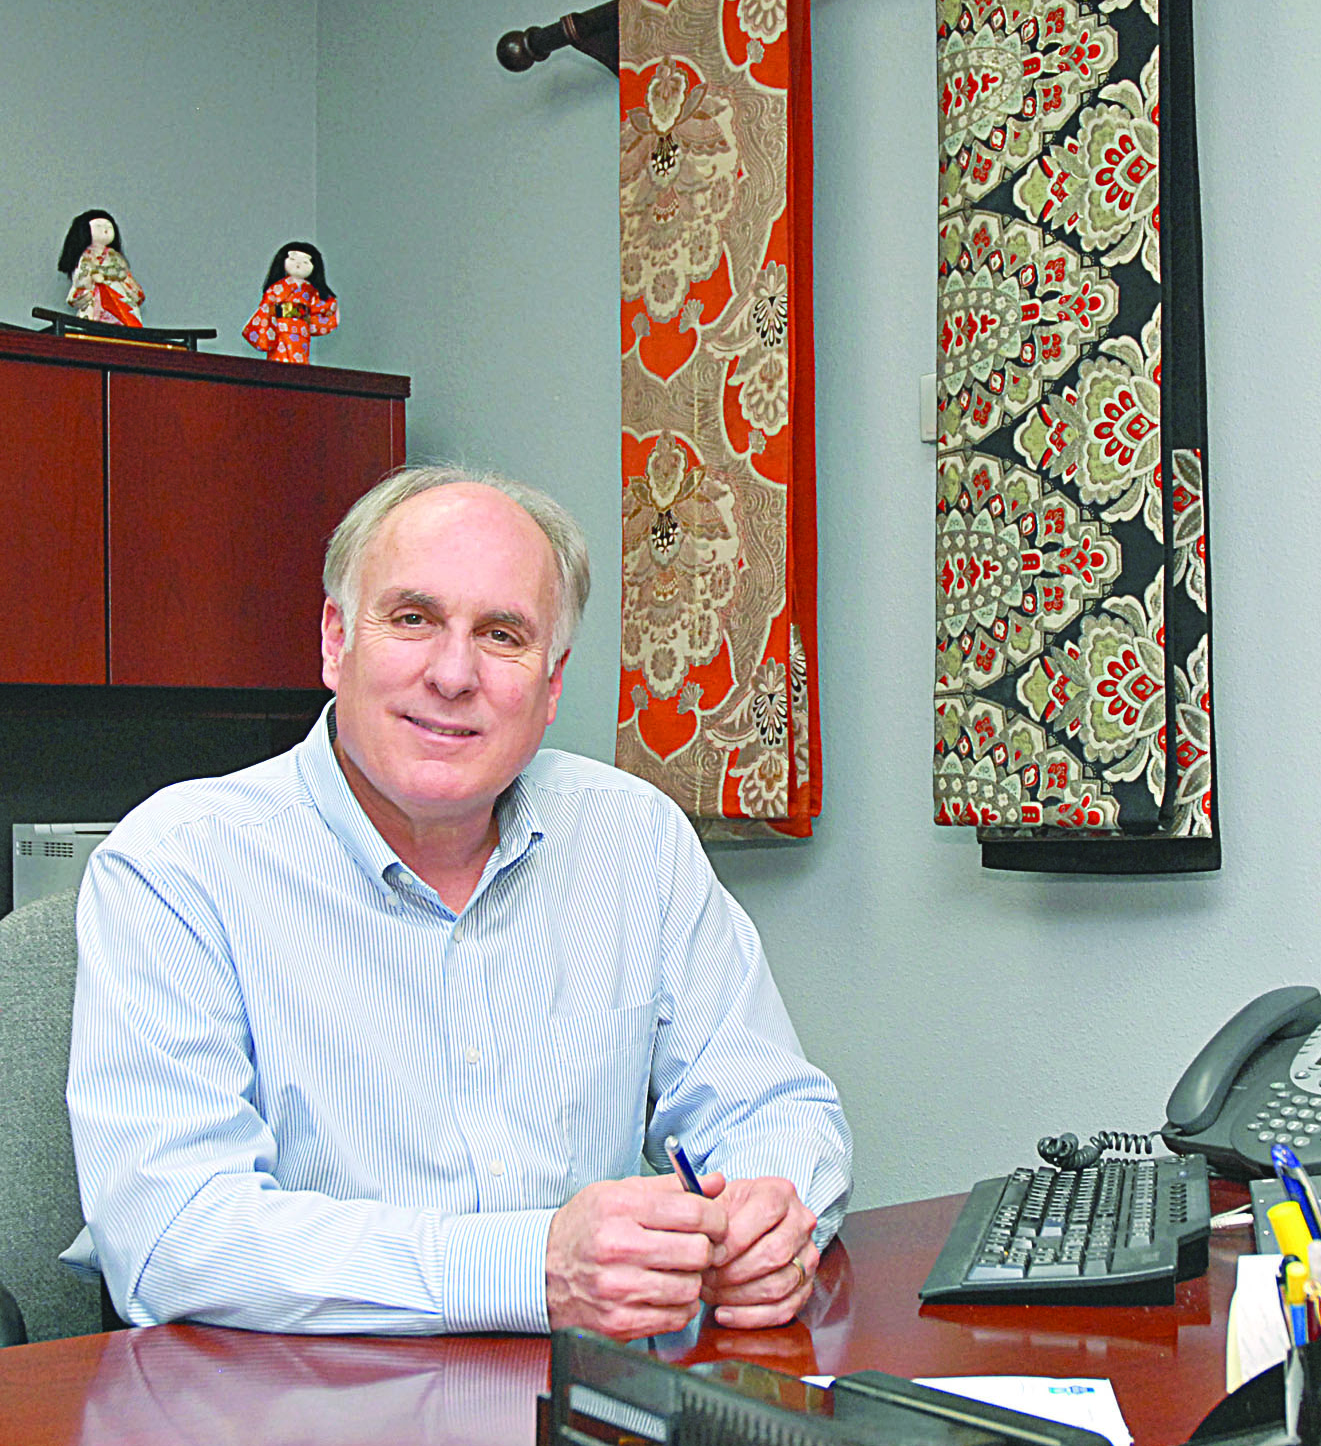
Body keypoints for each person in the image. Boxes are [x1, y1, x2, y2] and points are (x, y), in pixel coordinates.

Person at [66, 465, 850, 1338]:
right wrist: (530, 1267)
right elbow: (175, 1233)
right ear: (335, 640)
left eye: (503, 635)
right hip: (292, 1426)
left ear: (551, 686)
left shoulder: (635, 841)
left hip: (592, 1408)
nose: (452, 673)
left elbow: (774, 1105)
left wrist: (763, 1217)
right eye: (413, 618)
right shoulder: (177, 866)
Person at [243, 241, 339, 364]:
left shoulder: (311, 291)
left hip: (301, 331)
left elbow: (321, 310)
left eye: (305, 262)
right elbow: (267, 308)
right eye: (293, 259)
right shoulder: (277, 288)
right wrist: (279, 313)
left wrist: (310, 316)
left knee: (300, 362)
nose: (298, 264)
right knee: (279, 360)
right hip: (280, 330)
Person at [58, 210, 144, 327]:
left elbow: (124, 275)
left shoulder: (115, 256)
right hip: (97, 296)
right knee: (93, 320)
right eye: (99, 226)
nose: (105, 229)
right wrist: (92, 277)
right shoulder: (87, 257)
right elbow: (81, 277)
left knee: (126, 315)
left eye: (109, 226)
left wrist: (125, 284)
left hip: (117, 291)